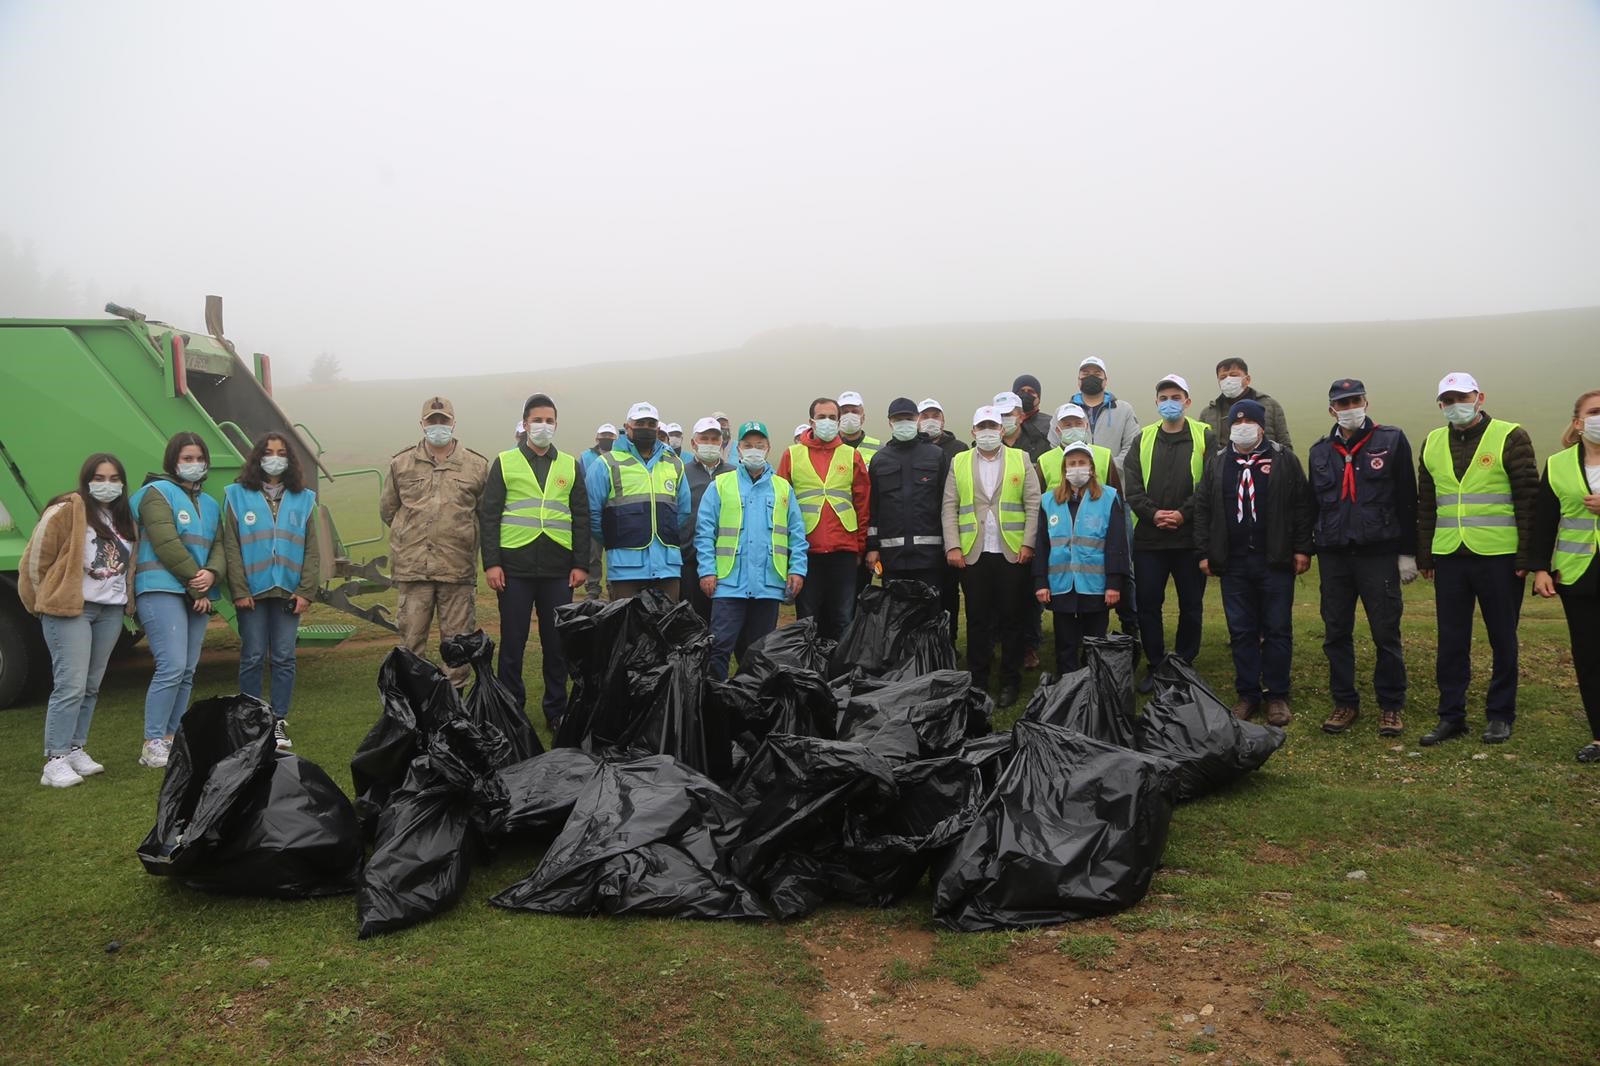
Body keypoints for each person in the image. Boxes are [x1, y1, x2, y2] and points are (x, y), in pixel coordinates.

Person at [1417, 373, 1538, 746]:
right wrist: (1426, 554)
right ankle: (1450, 716)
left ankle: (1500, 715)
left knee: (1503, 638)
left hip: (1499, 557)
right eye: (1447, 399)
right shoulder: (1432, 442)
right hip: (1450, 555)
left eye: (1462, 396)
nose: (1455, 404)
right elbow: (1426, 504)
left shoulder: (1510, 435)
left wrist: (1527, 556)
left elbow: (1528, 499)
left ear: (1479, 396)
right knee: (1451, 640)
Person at [1307, 379, 1418, 737]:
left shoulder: (1391, 440)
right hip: (1335, 555)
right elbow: (1314, 506)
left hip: (1378, 553)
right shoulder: (1319, 451)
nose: (1349, 407)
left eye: (1355, 400)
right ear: (1331, 410)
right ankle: (1344, 702)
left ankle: (1390, 705)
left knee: (1385, 631)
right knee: (1336, 631)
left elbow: (1406, 497)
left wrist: (1407, 552)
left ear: (1366, 402)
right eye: (1342, 403)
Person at [18, 453, 135, 787]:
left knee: (91, 685)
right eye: (100, 478)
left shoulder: (124, 519)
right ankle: (54, 759)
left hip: (110, 611)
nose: (107, 485)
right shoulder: (67, 511)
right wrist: (42, 602)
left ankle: (75, 749)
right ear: (87, 480)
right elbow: (35, 560)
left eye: (114, 479)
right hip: (71, 611)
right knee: (70, 685)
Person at [1195, 399, 1313, 726]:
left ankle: (1277, 694)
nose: (1242, 426)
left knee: (1277, 628)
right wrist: (1204, 552)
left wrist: (1302, 548)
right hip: (1233, 562)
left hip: (1274, 559)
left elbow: (1301, 505)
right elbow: (1203, 508)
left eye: (1249, 421)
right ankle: (1248, 693)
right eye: (1236, 422)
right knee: (1242, 629)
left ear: (1262, 426)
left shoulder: (1283, 459)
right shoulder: (1218, 462)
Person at [480, 393, 591, 730]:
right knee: (512, 644)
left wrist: (581, 564)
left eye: (549, 420)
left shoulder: (570, 465)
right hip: (514, 568)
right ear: (525, 423)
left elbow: (581, 516)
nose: (543, 426)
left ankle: (555, 711)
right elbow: (490, 515)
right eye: (537, 420)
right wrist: (492, 563)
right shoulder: (505, 462)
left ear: (556, 424)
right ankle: (511, 711)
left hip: (559, 569)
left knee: (556, 644)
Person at [130, 432, 226, 768]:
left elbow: (218, 546)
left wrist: (212, 573)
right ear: (173, 460)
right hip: (160, 588)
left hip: (194, 592)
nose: (194, 464)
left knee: (186, 669)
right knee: (171, 666)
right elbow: (166, 543)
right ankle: (152, 741)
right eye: (187, 458)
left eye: (199, 458)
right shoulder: (155, 493)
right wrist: (197, 587)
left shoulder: (210, 503)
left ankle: (172, 737)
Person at [380, 397, 490, 688]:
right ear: (422, 424)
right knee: (411, 645)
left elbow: (483, 514)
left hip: (457, 571)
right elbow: (389, 511)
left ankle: (454, 715)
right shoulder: (401, 464)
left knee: (457, 649)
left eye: (443, 420)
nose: (438, 426)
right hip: (413, 570)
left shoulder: (476, 466)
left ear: (453, 423)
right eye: (432, 421)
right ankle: (415, 714)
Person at [223, 432, 320, 750]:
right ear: (257, 458)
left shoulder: (304, 498)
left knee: (284, 657)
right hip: (252, 591)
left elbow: (311, 550)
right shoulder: (236, 495)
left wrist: (306, 590)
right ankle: (250, 720)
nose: (274, 458)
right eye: (268, 452)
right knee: (251, 656)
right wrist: (239, 589)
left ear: (290, 460)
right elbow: (232, 547)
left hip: (288, 592)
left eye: (281, 453)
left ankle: (278, 720)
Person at [943, 405, 1041, 708]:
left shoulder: (1020, 458)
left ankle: (1010, 681)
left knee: (1013, 620)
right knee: (978, 621)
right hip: (973, 554)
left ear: (1002, 430)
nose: (987, 432)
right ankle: (979, 681)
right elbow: (949, 506)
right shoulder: (958, 461)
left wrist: (1028, 544)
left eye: (992, 426)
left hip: (1011, 553)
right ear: (973, 432)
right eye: (981, 427)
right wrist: (953, 546)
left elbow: (1033, 503)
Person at [1122, 375, 1213, 693]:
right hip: (1150, 538)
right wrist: (1152, 513)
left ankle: (1184, 664)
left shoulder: (1204, 436)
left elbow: (1209, 483)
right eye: (1163, 397)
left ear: (1188, 401)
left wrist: (1183, 514)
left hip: (1189, 538)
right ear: (1156, 402)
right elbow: (1131, 483)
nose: (1169, 402)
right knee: (1148, 604)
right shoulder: (1143, 437)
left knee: (1192, 604)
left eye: (1176, 396)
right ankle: (1157, 664)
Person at [696, 422, 808, 678]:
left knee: (761, 652)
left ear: (768, 449)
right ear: (738, 449)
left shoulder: (783, 488)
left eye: (760, 445)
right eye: (748, 445)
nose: (754, 450)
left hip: (768, 583)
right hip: (727, 582)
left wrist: (797, 569)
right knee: (719, 647)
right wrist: (707, 571)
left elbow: (797, 534)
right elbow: (705, 533)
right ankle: (716, 700)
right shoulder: (721, 485)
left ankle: (752, 702)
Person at [1531, 389, 1600, 763]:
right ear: (1578, 422)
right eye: (1595, 412)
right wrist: (1540, 567)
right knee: (1589, 657)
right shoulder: (1558, 464)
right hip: (1577, 575)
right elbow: (1545, 521)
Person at [776, 397, 872, 640]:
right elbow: (780, 506)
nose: (827, 422)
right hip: (806, 552)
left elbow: (862, 503)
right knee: (808, 620)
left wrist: (860, 547)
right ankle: (810, 675)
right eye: (822, 417)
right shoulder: (792, 455)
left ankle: (841, 675)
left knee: (843, 618)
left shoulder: (851, 455)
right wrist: (786, 552)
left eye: (832, 417)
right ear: (811, 421)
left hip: (844, 550)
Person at [1033, 442, 1130, 671]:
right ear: (1064, 469)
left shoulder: (1108, 497)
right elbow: (1042, 545)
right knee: (1065, 643)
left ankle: (1095, 684)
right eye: (1072, 463)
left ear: (1092, 467)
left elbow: (1117, 543)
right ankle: (1068, 686)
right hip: (1061, 585)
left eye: (1082, 463)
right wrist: (1040, 582)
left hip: (1096, 586)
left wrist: (1114, 583)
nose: (1077, 468)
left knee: (1094, 641)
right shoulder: (1048, 501)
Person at [585, 401, 691, 601]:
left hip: (667, 568)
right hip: (625, 569)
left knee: (665, 629)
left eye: (651, 424)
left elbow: (683, 511)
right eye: (640, 423)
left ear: (658, 428)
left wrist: (665, 533)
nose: (646, 428)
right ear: (627, 428)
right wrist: (615, 540)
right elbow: (593, 514)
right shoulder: (606, 464)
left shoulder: (674, 464)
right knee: (627, 629)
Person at [867, 396, 951, 594]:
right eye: (898, 419)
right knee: (896, 617)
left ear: (917, 419)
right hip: (892, 557)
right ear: (890, 422)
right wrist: (872, 547)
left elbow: (947, 504)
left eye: (908, 418)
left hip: (930, 556)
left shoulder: (936, 455)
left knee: (929, 617)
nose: (904, 423)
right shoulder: (880, 460)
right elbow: (873, 508)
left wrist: (950, 545)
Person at [918, 398, 968, 634]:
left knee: (950, 590)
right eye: (925, 416)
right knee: (924, 591)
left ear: (943, 419)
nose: (930, 420)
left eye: (935, 416)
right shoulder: (913, 449)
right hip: (923, 530)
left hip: (953, 530)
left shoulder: (959, 449)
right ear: (917, 421)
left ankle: (949, 641)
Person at [680, 416, 735, 620]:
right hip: (689, 559)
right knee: (691, 620)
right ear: (694, 443)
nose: (710, 444)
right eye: (705, 439)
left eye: (714, 439)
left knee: (722, 621)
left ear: (721, 443)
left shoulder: (734, 474)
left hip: (726, 561)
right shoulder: (681, 473)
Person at [1199, 358, 1293, 449]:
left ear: (1247, 379)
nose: (1228, 380)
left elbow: (1284, 443)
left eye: (1234, 375)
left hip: (1265, 463)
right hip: (1223, 464)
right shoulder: (1208, 413)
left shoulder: (1270, 406)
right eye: (1223, 377)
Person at [1071, 357, 1141, 472]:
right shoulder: (1063, 412)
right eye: (1086, 374)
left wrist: (1108, 468)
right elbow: (1055, 447)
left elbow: (1132, 446)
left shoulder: (1124, 410)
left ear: (1105, 380)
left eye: (1097, 374)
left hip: (1114, 483)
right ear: (1078, 380)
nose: (1091, 377)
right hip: (1074, 482)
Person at [1039, 403, 1121, 492]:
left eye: (1078, 423)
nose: (1074, 428)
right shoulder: (1044, 461)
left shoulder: (1104, 455)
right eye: (1068, 425)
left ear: (1086, 426)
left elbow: (1116, 495)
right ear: (1058, 430)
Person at [578, 423, 618, 601]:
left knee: (614, 552)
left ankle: (612, 584)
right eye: (604, 436)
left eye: (610, 436)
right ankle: (593, 587)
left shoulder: (619, 457)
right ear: (597, 438)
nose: (607, 439)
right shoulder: (586, 457)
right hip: (593, 511)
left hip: (613, 512)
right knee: (593, 553)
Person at [1011, 374, 1054, 461]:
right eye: (1021, 391)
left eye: (1031, 392)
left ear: (1038, 397)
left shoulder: (1050, 424)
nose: (1025, 395)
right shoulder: (1003, 423)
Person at [836, 390, 882, 466]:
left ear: (863, 418)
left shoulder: (879, 448)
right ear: (837, 418)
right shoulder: (827, 446)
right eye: (845, 412)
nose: (849, 415)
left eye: (854, 412)